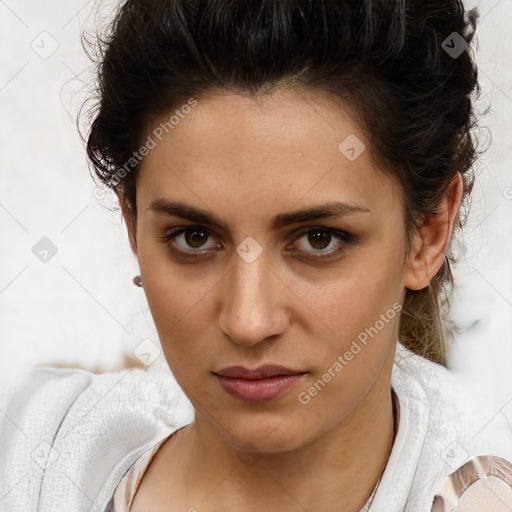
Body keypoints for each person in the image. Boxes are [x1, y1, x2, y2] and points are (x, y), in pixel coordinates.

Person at [1, 0, 512, 511]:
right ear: (133, 226)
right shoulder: (36, 450)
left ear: (428, 234)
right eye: (193, 238)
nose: (248, 322)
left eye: (318, 239)